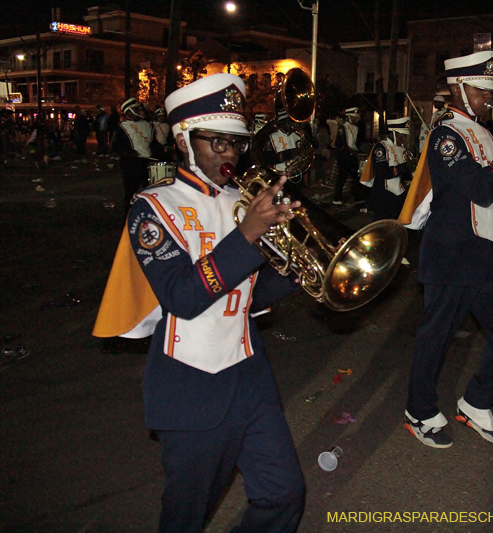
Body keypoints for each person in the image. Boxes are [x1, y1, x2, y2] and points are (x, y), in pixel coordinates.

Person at [93, 73, 305, 532]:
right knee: (188, 516)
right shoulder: (154, 207)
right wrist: (250, 232)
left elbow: (249, 297)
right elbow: (183, 297)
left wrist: (299, 269)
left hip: (250, 373)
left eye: (236, 143)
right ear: (185, 139)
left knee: (284, 492)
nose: (229, 153)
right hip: (190, 383)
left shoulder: (242, 201)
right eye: (218, 142)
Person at [398, 51, 493, 448]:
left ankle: (476, 403)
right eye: (481, 90)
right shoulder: (445, 134)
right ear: (459, 88)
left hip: (485, 251)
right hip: (452, 253)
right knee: (436, 338)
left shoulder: (481, 132)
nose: (489, 98)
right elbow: (478, 188)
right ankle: (419, 411)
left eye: (489, 91)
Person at [360, 117, 411, 220]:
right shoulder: (381, 147)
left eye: (404, 136)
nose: (403, 139)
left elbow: (406, 174)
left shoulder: (403, 149)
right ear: (393, 133)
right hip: (384, 194)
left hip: (399, 194)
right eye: (401, 135)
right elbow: (383, 172)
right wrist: (405, 167)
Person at [114, 97, 153, 208]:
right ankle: (129, 215)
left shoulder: (147, 124)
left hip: (146, 162)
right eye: (136, 109)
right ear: (129, 112)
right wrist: (128, 153)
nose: (140, 111)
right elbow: (117, 146)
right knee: (131, 190)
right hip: (130, 163)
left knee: (147, 190)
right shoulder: (122, 127)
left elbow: (151, 142)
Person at [332, 107, 361, 205]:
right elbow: (342, 143)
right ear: (349, 117)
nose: (356, 119)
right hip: (344, 155)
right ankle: (337, 198)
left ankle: (357, 198)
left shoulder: (356, 128)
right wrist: (352, 152)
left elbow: (355, 143)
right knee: (342, 177)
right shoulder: (342, 127)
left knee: (356, 178)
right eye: (354, 117)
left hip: (353, 155)